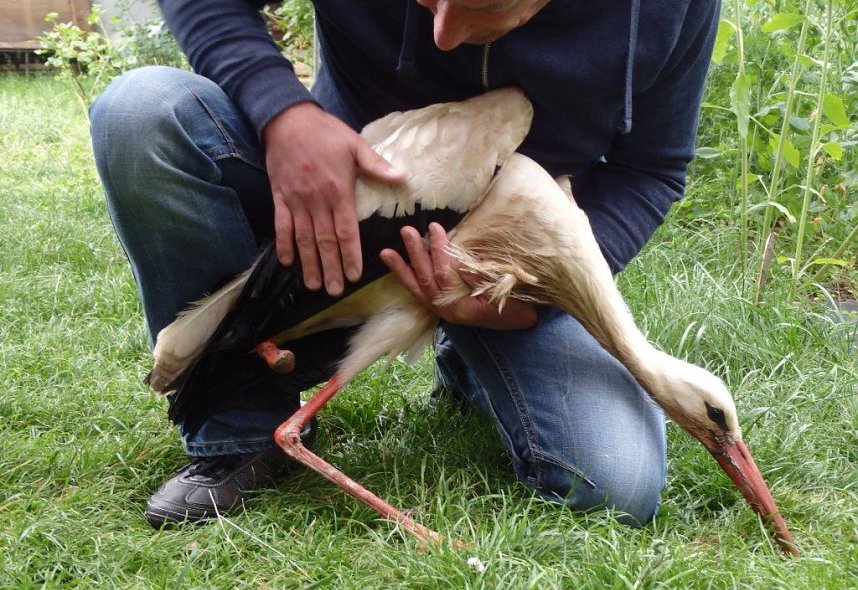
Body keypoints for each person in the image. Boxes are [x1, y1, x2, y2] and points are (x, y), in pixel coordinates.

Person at [89, 0, 720, 528]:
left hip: (512, 257)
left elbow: (654, 168)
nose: (440, 33)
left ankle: (470, 357)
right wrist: (284, 112)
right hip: (339, 195)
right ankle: (237, 429)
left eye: (480, 6)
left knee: (619, 489)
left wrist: (528, 296)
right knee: (141, 111)